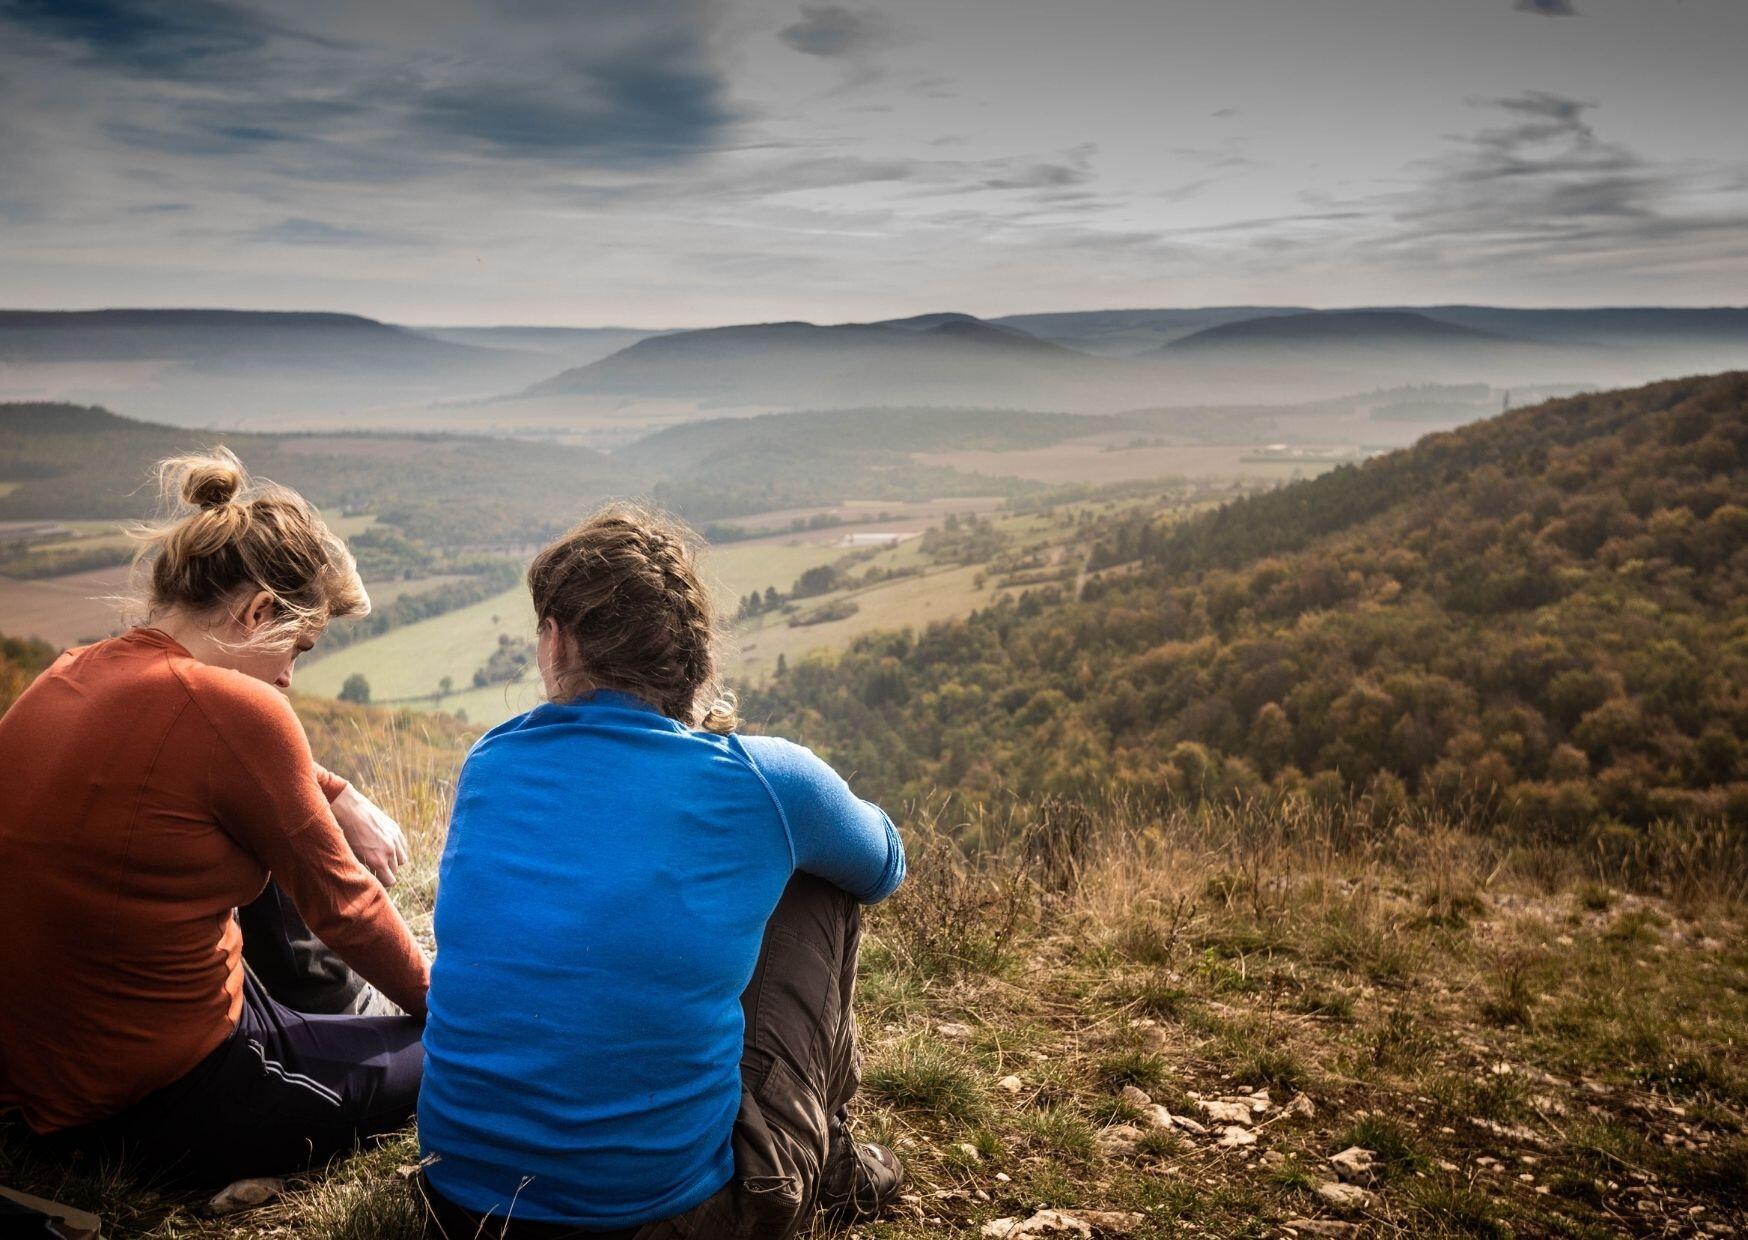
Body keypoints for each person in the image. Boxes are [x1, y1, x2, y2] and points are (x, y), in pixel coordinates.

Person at [417, 504, 908, 1240]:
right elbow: (882, 865)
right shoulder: (762, 777)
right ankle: (825, 1159)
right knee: (816, 883)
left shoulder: (490, 758)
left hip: (460, 1206)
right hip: (663, 1219)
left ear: (557, 639)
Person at [0, 448, 429, 1186]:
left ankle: (329, 1014)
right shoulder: (240, 709)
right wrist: (449, 1004)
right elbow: (348, 909)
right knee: (452, 1055)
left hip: (40, 1078)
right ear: (259, 611)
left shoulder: (67, 673)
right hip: (154, 1103)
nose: (291, 676)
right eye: (297, 646)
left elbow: (204, 762)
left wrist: (332, 790)